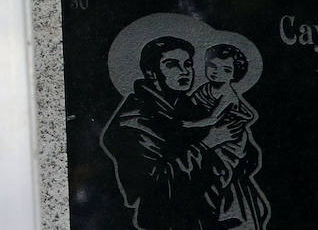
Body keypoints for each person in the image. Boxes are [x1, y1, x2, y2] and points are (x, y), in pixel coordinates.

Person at [100, 36, 244, 230]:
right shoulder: (135, 120)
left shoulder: (187, 106)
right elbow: (155, 184)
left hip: (201, 217)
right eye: (172, 65)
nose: (185, 71)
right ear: (152, 72)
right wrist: (209, 143)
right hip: (165, 221)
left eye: (188, 64)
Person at [181, 44, 270, 229]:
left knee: (219, 174)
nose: (216, 72)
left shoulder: (228, 95)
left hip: (230, 141)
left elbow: (212, 119)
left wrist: (190, 124)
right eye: (212, 66)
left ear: (233, 75)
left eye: (226, 69)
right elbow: (190, 105)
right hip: (209, 137)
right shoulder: (205, 88)